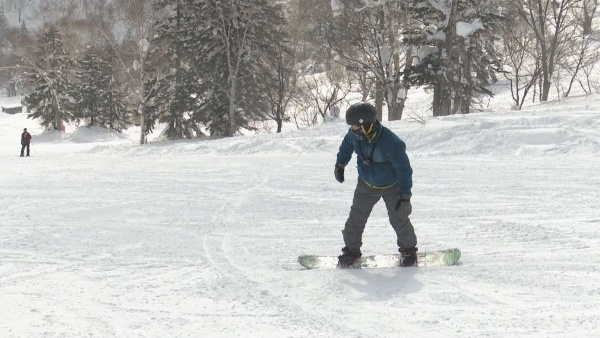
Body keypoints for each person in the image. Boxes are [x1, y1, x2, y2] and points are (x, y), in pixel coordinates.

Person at [334, 102, 417, 267]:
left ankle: (408, 250)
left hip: (391, 186)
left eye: (355, 126)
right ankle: (351, 251)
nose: (352, 129)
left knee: (399, 218)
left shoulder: (391, 143)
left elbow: (404, 170)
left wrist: (405, 197)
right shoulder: (354, 135)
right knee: (355, 219)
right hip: (366, 185)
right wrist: (340, 164)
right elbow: (346, 146)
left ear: (366, 125)